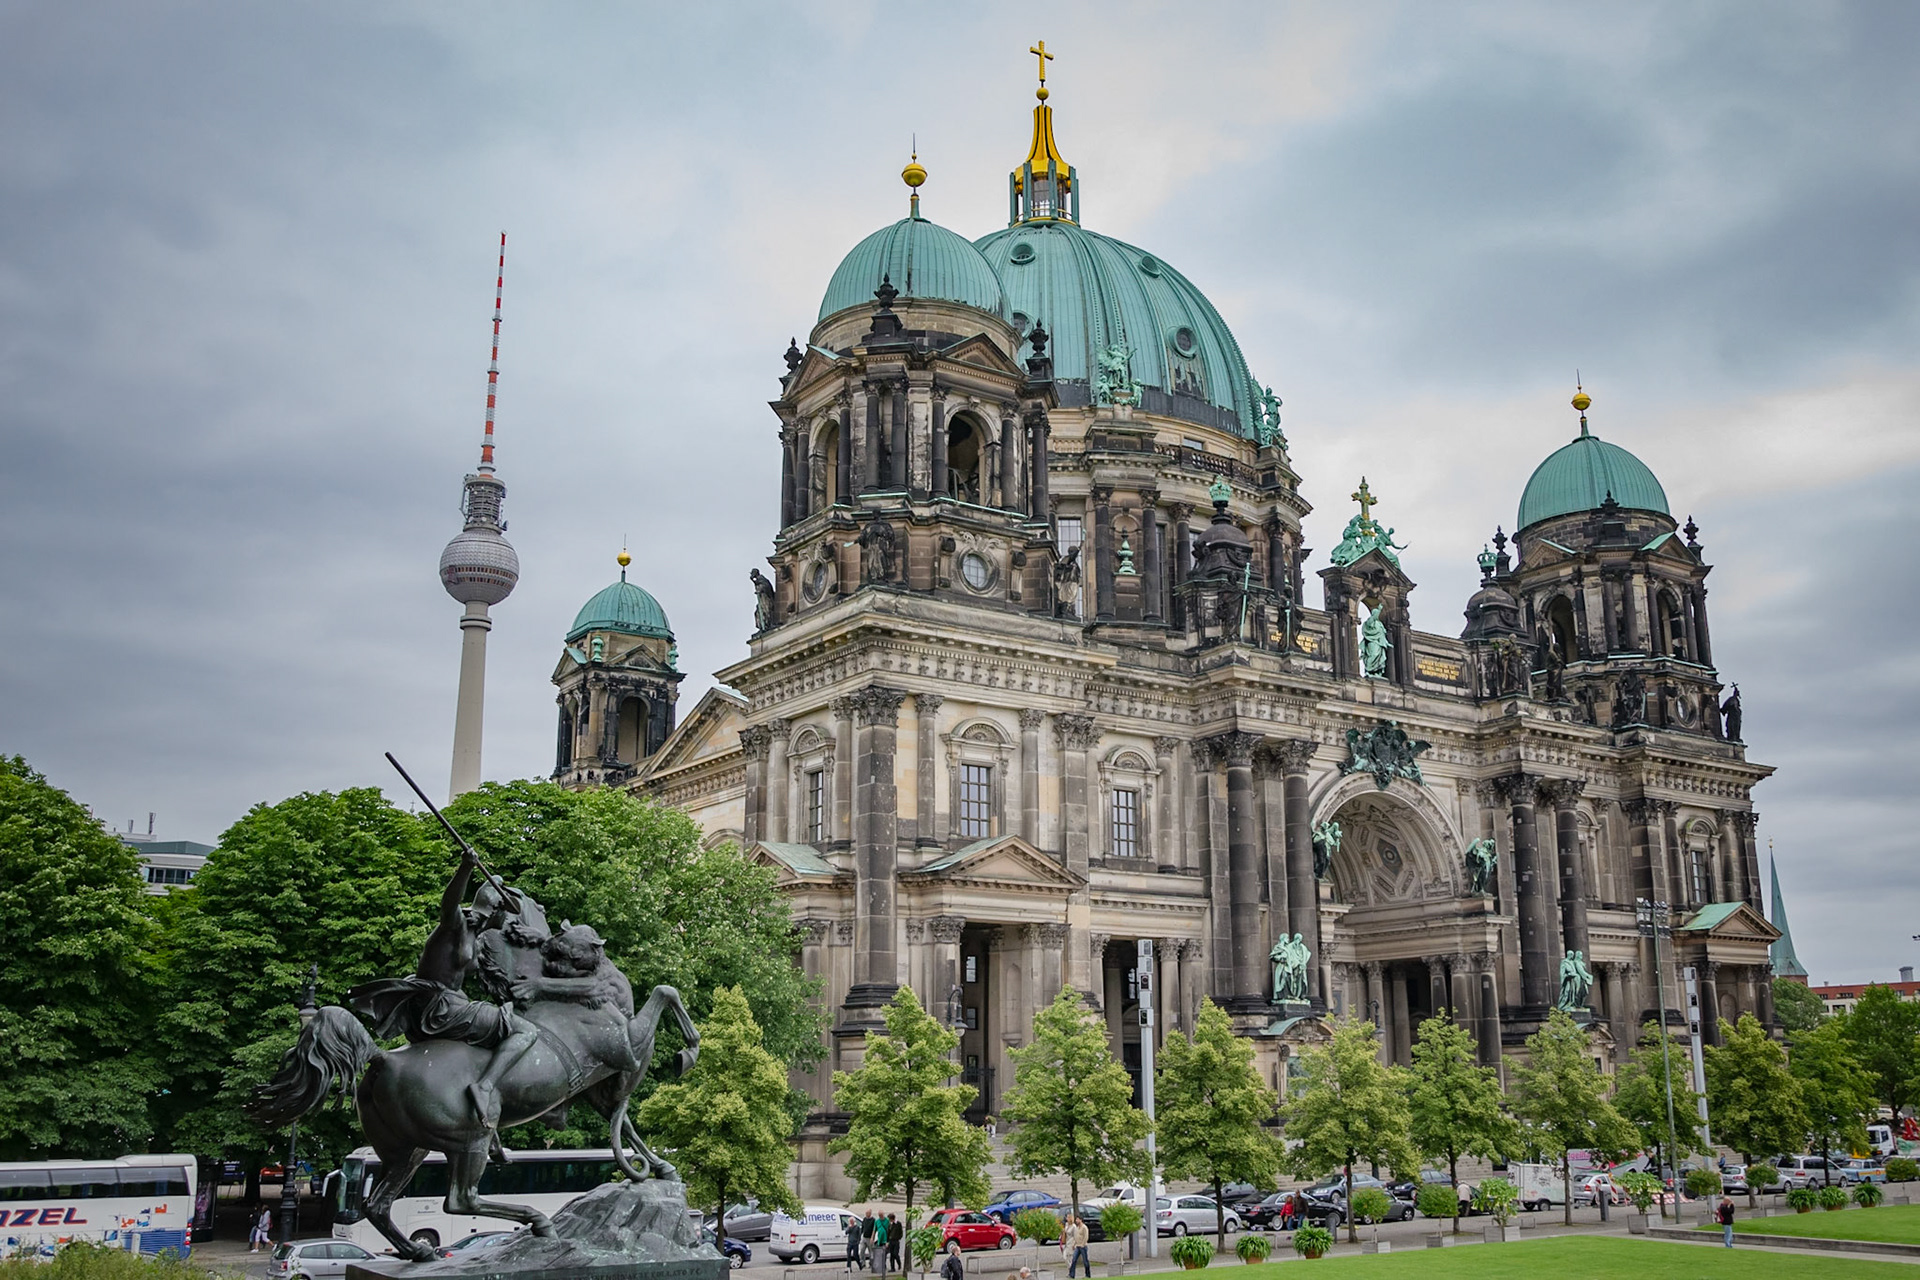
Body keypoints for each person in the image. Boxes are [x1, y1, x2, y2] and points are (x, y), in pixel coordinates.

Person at [1064, 1215, 1091, 1279]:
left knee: (1085, 1261)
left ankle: (1087, 1274)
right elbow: (1076, 1237)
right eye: (1076, 1220)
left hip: (1083, 1246)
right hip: (1077, 1246)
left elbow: (1086, 1237)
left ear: (1081, 1220)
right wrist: (1074, 1244)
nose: (1076, 1221)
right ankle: (1072, 1275)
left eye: (1078, 1219)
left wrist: (1083, 1244)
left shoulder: (1084, 1227)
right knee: (1074, 1260)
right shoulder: (1077, 1228)